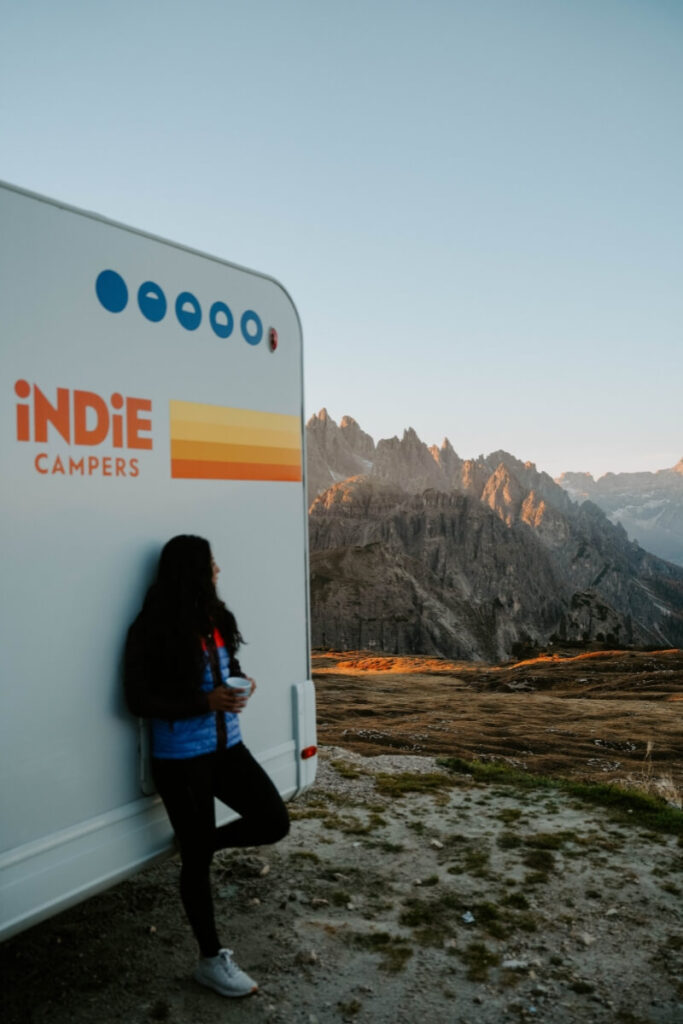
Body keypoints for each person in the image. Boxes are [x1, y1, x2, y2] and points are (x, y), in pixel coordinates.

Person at [124, 534, 289, 998]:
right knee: (197, 863)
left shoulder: (216, 619)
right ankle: (210, 961)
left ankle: (199, 844)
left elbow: (225, 668)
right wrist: (206, 701)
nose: (218, 570)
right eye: (210, 564)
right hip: (181, 759)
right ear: (191, 571)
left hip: (227, 748)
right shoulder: (152, 628)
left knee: (273, 821)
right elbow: (138, 700)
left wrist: (240, 683)